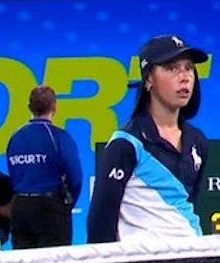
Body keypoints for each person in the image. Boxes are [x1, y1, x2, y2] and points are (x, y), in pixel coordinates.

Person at [87, 35, 210, 243]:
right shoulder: (125, 144)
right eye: (172, 68)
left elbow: (187, 204)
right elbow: (100, 220)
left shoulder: (197, 141)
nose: (184, 77)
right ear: (148, 79)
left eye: (189, 68)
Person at [6, 86, 84, 249]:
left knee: (23, 259)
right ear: (54, 107)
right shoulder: (58, 136)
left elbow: (13, 173)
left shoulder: (15, 137)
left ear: (29, 107)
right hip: (49, 207)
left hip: (20, 205)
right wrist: (66, 204)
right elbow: (75, 177)